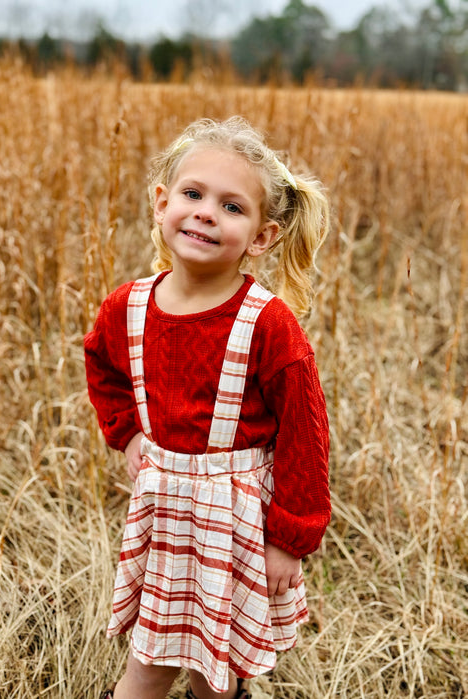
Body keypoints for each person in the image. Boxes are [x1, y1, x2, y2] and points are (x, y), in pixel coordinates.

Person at [84, 116, 331, 699]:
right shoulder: (127, 306)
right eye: (192, 195)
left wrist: (288, 538)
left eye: (231, 206)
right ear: (161, 202)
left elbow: (305, 433)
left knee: (214, 672)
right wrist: (128, 435)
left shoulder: (269, 325)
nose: (205, 213)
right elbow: (105, 367)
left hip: (236, 519)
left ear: (261, 237)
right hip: (164, 510)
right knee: (149, 660)